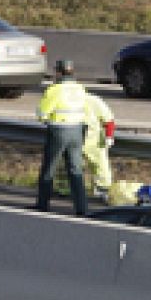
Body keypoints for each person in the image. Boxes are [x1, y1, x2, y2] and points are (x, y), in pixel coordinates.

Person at [36, 59, 88, 215]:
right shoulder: (80, 88)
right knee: (75, 170)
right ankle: (81, 208)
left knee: (49, 168)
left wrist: (45, 118)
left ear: (58, 72)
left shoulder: (54, 90)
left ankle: (43, 204)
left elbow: (42, 114)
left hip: (59, 131)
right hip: (77, 131)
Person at [82, 89, 116, 204]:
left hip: (91, 141)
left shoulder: (92, 100)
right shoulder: (93, 100)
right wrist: (109, 136)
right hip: (88, 141)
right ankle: (65, 190)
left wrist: (109, 136)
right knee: (100, 166)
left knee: (100, 166)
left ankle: (102, 190)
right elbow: (109, 120)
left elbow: (108, 120)